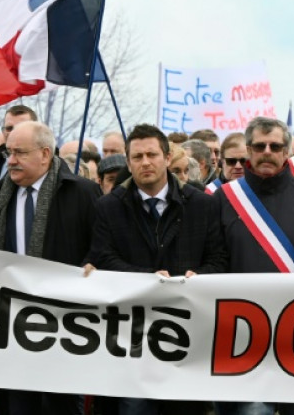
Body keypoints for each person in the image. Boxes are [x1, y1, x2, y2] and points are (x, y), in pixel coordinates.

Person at [83, 124, 226, 414]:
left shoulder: (201, 205)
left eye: (152, 154)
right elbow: (103, 258)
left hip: (187, 335)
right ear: (128, 162)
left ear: (166, 157)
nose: (145, 162)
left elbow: (219, 259)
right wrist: (147, 279)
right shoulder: (109, 207)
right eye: (137, 157)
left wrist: (199, 277)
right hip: (131, 336)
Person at [0, 121, 100, 415]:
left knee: (59, 405)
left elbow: (100, 247)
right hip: (10, 323)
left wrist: (90, 267)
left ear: (45, 154)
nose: (11, 161)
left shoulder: (82, 193)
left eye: (19, 152)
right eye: (8, 152)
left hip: (64, 323)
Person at [215, 117, 294, 415]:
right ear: (248, 150)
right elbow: (214, 260)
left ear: (285, 151)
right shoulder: (224, 199)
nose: (267, 152)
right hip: (241, 333)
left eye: (275, 146)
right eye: (259, 146)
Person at [0, 104, 37, 181]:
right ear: (3, 131)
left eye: (21, 128)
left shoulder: (44, 164)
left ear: (35, 131)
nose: (13, 133)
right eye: (9, 128)